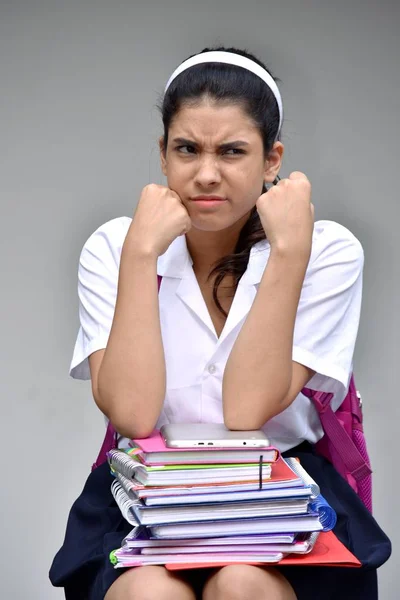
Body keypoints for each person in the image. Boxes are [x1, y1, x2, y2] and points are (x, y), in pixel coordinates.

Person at [49, 47, 391, 600]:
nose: (206, 174)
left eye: (232, 151)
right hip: (151, 499)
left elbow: (246, 409)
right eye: (187, 149)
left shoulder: (324, 249)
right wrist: (140, 254)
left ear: (271, 160)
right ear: (162, 155)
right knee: (148, 594)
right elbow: (133, 415)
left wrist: (288, 252)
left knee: (241, 583)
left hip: (280, 499)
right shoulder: (116, 246)